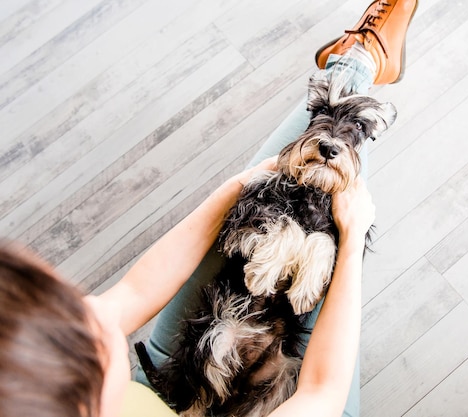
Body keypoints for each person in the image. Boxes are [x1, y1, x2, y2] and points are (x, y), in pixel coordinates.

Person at [0, 1, 418, 416]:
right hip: (282, 396)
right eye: (89, 337)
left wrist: (239, 186)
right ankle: (360, 56)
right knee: (338, 207)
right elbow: (322, 394)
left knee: (281, 178)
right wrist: (350, 240)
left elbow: (132, 294)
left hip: (172, 375)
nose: (94, 318)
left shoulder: (52, 355)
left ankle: (357, 58)